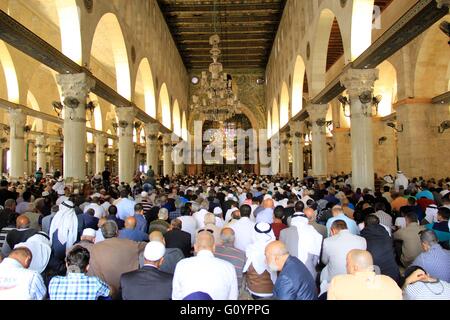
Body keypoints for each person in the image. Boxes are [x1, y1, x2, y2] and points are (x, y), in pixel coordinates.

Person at [172, 231, 238, 300]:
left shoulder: (181, 265)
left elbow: (176, 297)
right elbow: (233, 297)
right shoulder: (229, 268)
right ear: (214, 247)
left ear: (195, 247)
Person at [88, 221, 146, 299]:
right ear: (117, 232)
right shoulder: (131, 244)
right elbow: (147, 245)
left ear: (102, 233)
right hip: (129, 291)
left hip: (106, 293)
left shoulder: (94, 248)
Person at [327, 250, 402, 300]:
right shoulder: (390, 282)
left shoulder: (337, 282)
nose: (346, 266)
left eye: (347, 263)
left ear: (355, 267)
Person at [360, 215, 400, 283]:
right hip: (393, 275)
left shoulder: (362, 238)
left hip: (375, 278)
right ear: (378, 223)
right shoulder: (386, 235)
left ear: (364, 224)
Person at [243, 222, 276, 299]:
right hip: (274, 290)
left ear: (255, 234)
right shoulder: (276, 248)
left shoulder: (249, 249)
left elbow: (246, 271)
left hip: (254, 290)